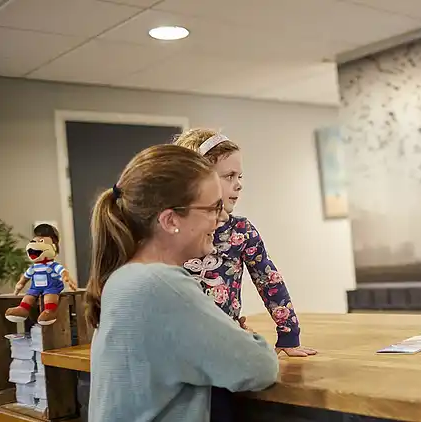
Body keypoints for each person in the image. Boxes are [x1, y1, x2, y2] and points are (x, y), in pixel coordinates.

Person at [86, 144, 279, 422]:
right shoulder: (161, 285)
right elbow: (259, 366)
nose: (222, 217)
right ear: (170, 220)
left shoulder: (124, 278)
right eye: (213, 208)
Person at [173, 129, 316, 422]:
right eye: (229, 177)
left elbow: (268, 280)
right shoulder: (174, 232)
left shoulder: (242, 231)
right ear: (197, 179)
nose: (238, 185)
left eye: (240, 177)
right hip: (179, 351)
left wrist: (289, 334)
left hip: (224, 347)